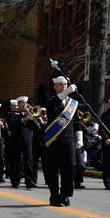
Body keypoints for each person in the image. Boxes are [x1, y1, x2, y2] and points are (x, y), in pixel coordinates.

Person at [44, 75, 83, 207]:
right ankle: (54, 196)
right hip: (54, 139)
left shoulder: (73, 103)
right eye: (60, 84)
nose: (64, 86)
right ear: (55, 86)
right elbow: (53, 105)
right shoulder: (51, 101)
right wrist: (66, 92)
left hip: (69, 139)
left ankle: (65, 194)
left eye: (65, 84)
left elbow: (77, 122)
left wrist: (79, 138)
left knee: (70, 166)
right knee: (53, 169)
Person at [18, 96, 39, 189]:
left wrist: (32, 119)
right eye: (22, 102)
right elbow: (13, 124)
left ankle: (29, 181)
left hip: (28, 140)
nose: (24, 104)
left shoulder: (31, 114)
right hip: (17, 140)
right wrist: (24, 119)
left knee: (29, 160)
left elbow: (37, 128)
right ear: (18, 104)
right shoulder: (14, 114)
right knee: (17, 160)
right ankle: (16, 180)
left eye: (25, 103)